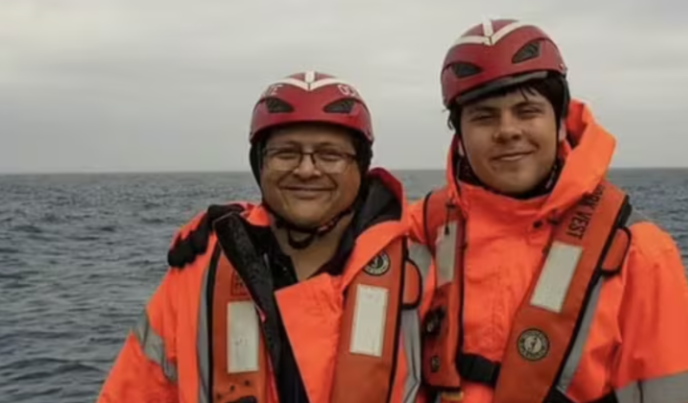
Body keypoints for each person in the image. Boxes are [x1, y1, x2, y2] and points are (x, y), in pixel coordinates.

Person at [408, 19, 688, 403]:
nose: (507, 130)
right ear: (460, 134)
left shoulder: (639, 253)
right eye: (484, 117)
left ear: (559, 122)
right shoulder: (417, 230)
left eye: (527, 111)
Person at [96, 71, 435, 403]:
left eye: (330, 155)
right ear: (259, 163)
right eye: (285, 153)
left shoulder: (421, 267)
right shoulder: (198, 273)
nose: (306, 170)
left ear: (360, 166)